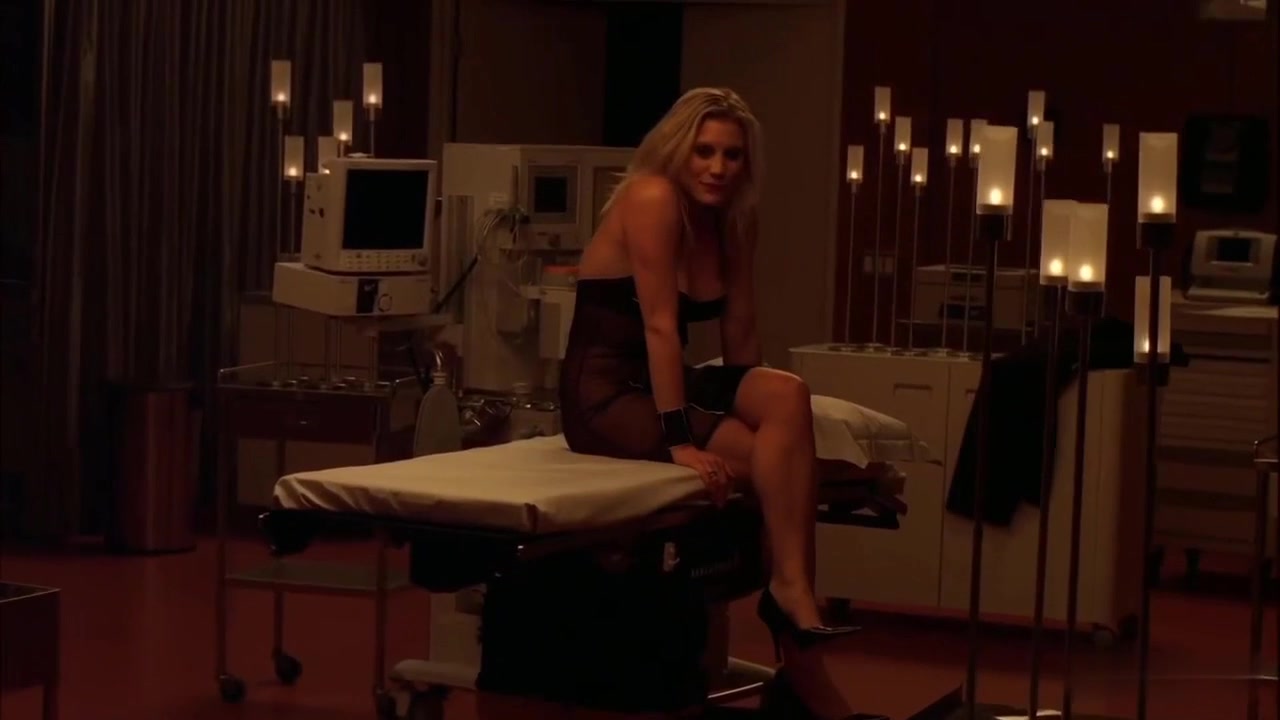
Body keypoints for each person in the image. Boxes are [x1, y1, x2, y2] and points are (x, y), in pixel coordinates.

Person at [558, 87, 860, 719]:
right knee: (776, 470)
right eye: (704, 152)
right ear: (678, 150)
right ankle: (798, 644)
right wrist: (682, 443)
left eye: (732, 155)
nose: (718, 168)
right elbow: (660, 326)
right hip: (604, 396)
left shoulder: (734, 219)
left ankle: (791, 591)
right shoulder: (651, 197)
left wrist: (765, 418)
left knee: (787, 400)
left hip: (664, 383)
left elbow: (741, 334)